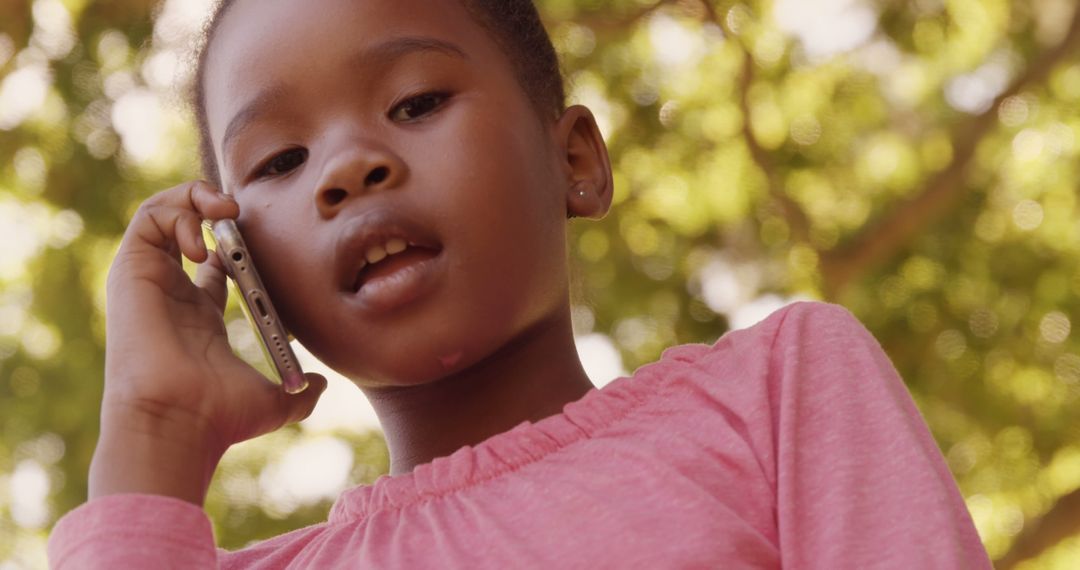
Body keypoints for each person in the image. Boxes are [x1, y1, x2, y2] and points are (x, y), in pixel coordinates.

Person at [48, 0, 993, 567]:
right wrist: (151, 430)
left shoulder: (777, 388)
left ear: (575, 160)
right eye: (281, 160)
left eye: (415, 102)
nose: (347, 166)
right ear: (241, 260)